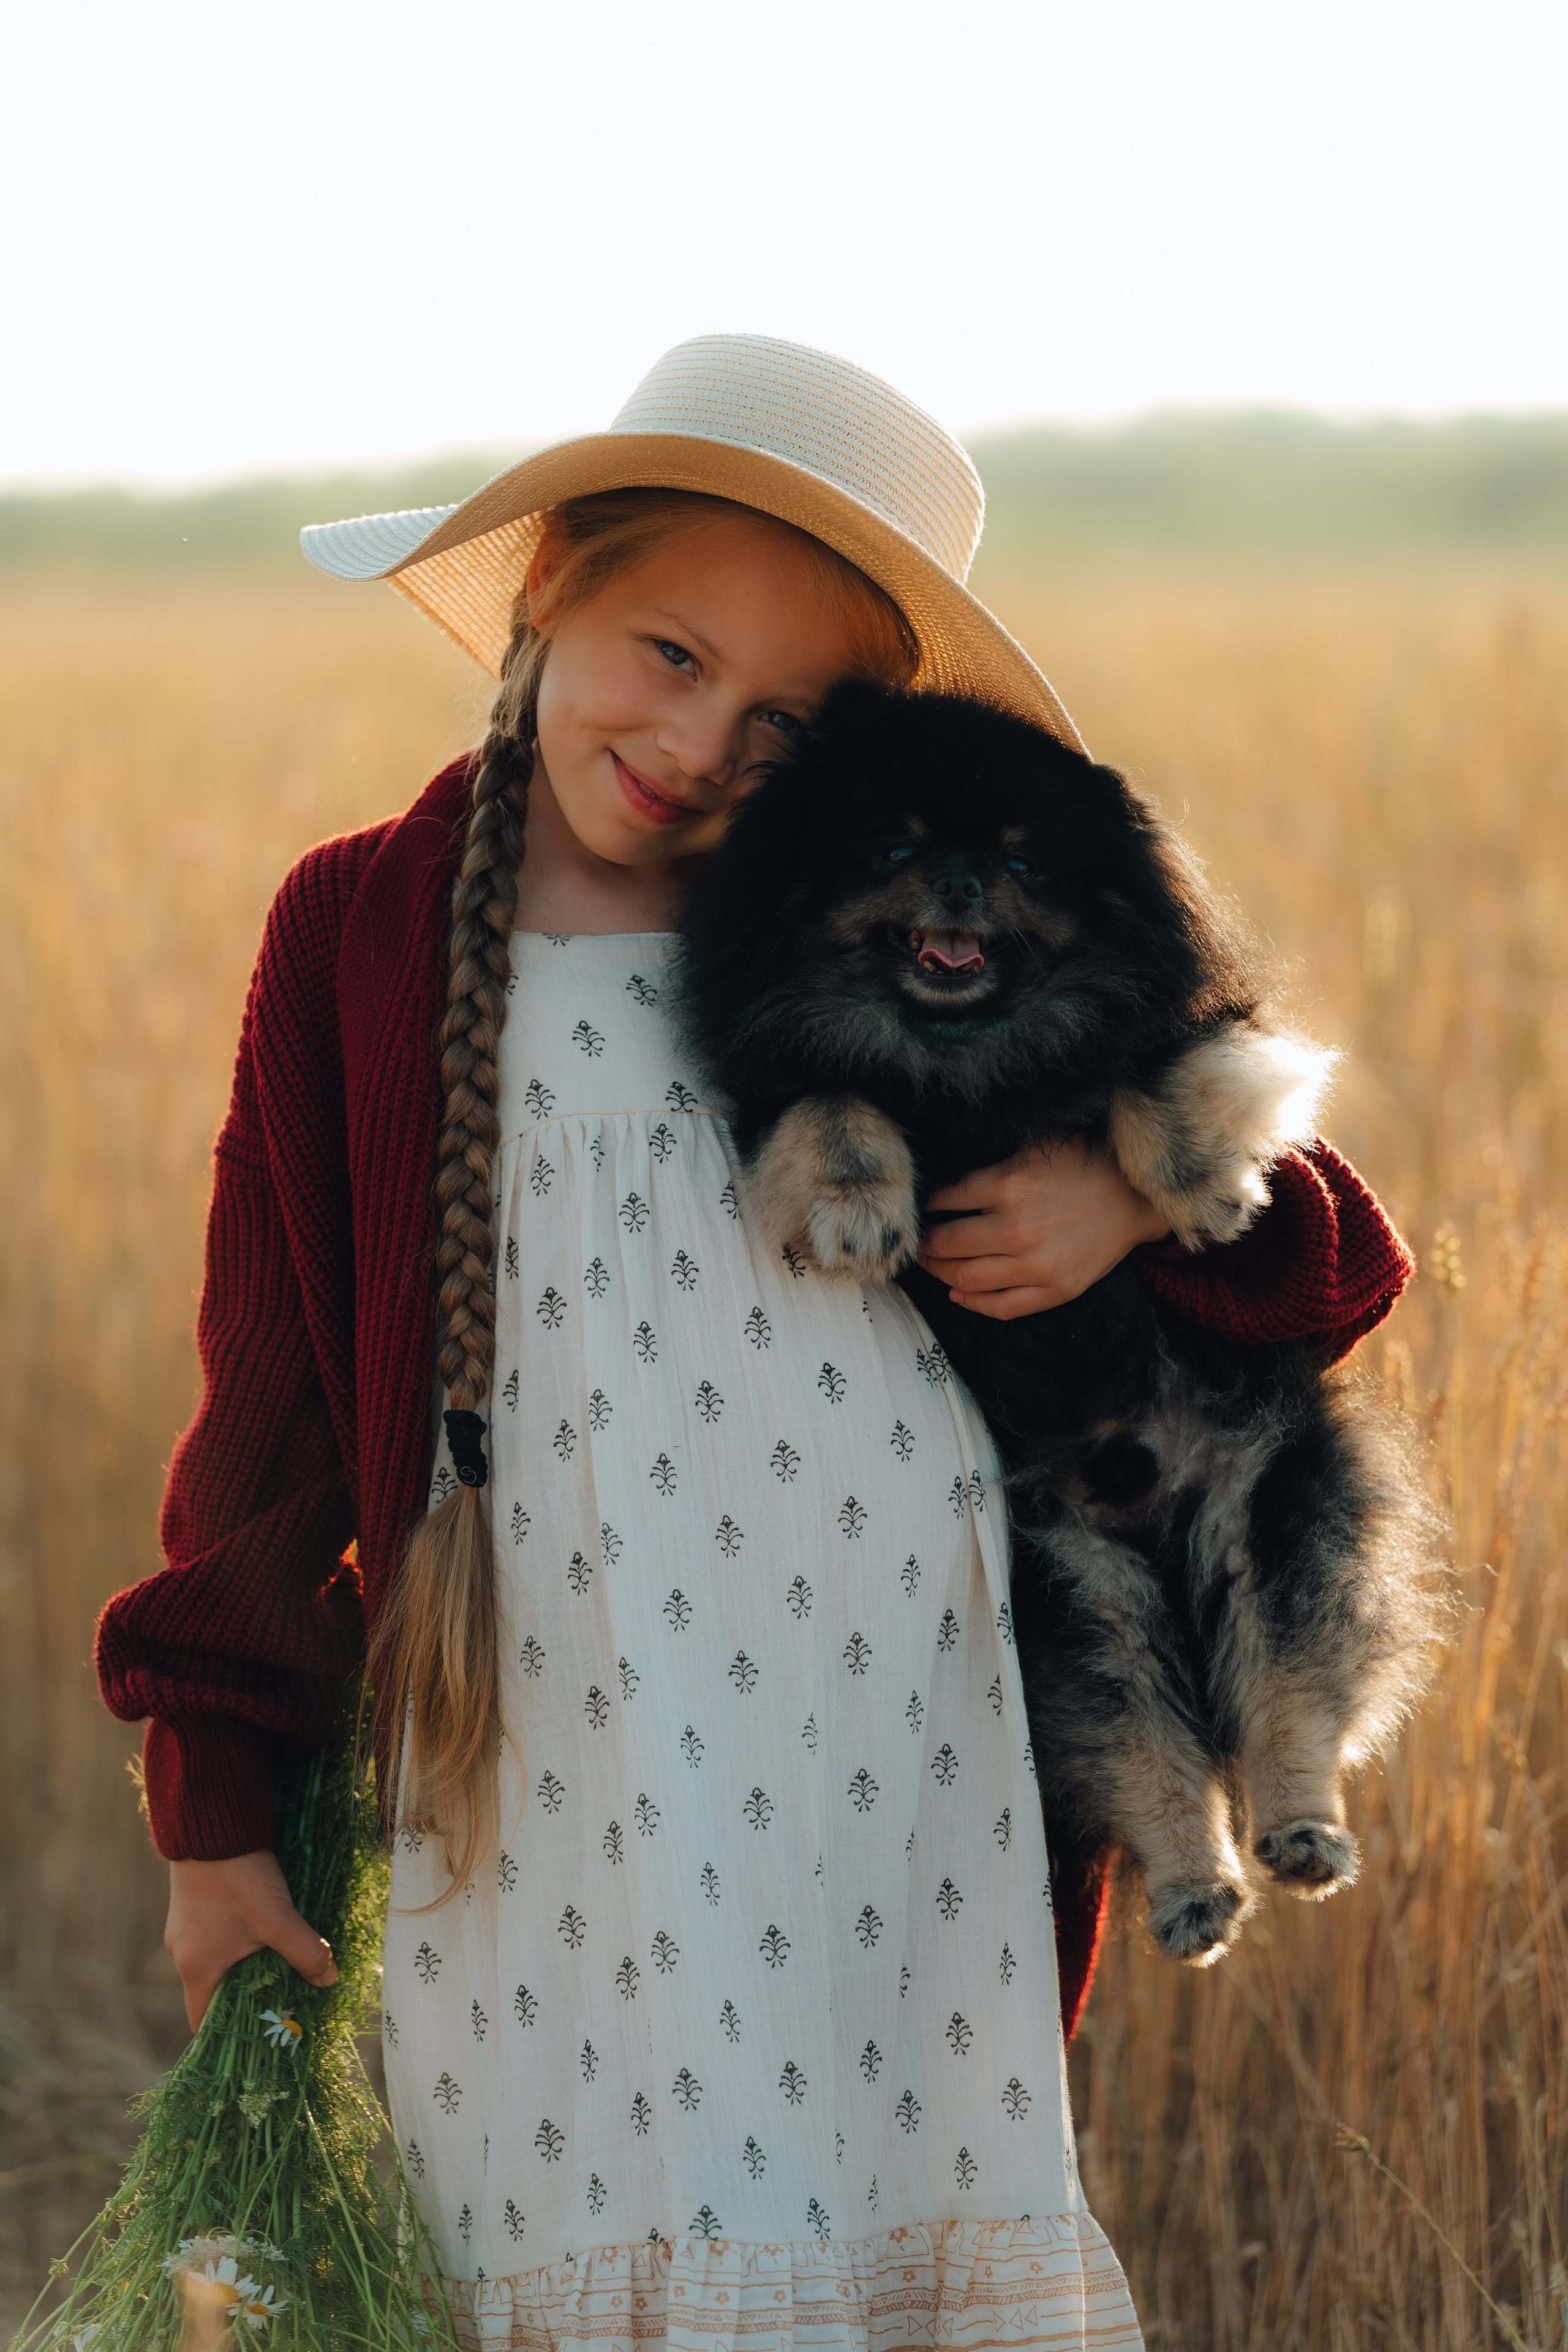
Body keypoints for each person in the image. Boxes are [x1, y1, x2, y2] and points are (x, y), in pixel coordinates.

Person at [96, 336, 1413, 2352]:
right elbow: (266, 1395)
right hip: (538, 1726)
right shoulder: (356, 929)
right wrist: (212, 1809)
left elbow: (1324, 1249)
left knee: (881, 2211)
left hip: (886, 1704)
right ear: (548, 593)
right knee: (563, 2217)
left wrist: (1125, 1205)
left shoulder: (878, 934)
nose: (707, 748)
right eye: (671, 654)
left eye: (787, 723)